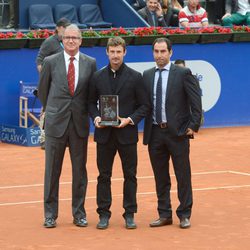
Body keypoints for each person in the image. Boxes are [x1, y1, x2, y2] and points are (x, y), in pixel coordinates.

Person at [38, 24, 97, 228]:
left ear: (81, 40)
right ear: (62, 40)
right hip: (56, 124)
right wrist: (53, 111)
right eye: (67, 37)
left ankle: (79, 213)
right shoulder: (50, 61)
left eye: (75, 37)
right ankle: (50, 215)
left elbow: (91, 94)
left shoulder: (90, 63)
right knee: (52, 171)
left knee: (80, 172)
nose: (71, 40)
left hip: (79, 124)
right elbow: (43, 92)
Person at [88, 37, 149, 230]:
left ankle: (129, 213)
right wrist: (97, 118)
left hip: (127, 135)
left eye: (118, 52)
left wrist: (129, 120)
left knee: (130, 175)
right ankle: (103, 214)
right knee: (103, 176)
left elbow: (145, 106)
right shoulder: (97, 77)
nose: (115, 55)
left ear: (125, 52)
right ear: (107, 52)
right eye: (112, 52)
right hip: (104, 135)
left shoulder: (135, 77)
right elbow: (90, 103)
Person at [142, 38, 202, 229]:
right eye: (156, 52)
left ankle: (184, 214)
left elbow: (195, 101)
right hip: (155, 133)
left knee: (182, 175)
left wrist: (194, 125)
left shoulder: (183, 73)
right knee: (161, 177)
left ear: (170, 53)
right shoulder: (147, 74)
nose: (159, 55)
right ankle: (164, 214)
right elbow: (145, 104)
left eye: (163, 52)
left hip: (178, 133)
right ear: (153, 53)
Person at [36, 18, 71, 150]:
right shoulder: (50, 42)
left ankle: (64, 138)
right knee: (46, 110)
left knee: (65, 110)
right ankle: (43, 139)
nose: (66, 29)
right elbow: (39, 61)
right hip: (51, 83)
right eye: (64, 27)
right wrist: (47, 77)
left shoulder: (68, 41)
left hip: (66, 83)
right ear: (58, 28)